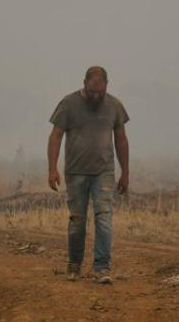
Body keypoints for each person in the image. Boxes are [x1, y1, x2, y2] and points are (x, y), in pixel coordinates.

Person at [47, 66, 129, 284]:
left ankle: (101, 267)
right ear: (84, 84)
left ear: (106, 86)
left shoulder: (114, 106)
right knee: (77, 220)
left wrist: (125, 172)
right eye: (92, 92)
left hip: (104, 171)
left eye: (100, 92)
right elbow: (55, 136)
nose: (96, 96)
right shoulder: (68, 104)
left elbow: (121, 139)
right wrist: (52, 168)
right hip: (75, 172)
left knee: (104, 217)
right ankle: (74, 264)